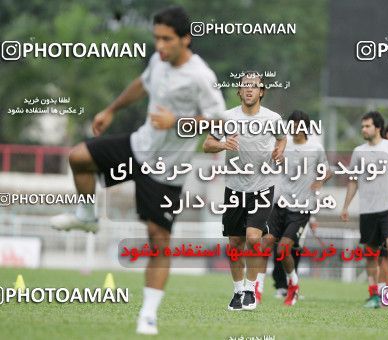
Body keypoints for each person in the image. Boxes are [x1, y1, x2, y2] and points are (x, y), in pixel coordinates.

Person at [50, 6, 225, 335]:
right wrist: (111, 109)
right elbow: (142, 84)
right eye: (156, 38)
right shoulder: (158, 61)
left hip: (167, 169)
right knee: (79, 157)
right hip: (138, 147)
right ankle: (87, 216)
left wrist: (178, 122)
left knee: (158, 241)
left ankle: (148, 314)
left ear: (185, 39)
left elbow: (219, 122)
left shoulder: (201, 76)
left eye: (167, 39)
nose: (160, 45)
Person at [203, 71, 286, 311]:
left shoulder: (272, 118)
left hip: (263, 186)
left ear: (261, 91)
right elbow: (207, 144)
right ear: (239, 91)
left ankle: (251, 290)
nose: (249, 89)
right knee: (236, 243)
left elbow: (281, 139)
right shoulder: (226, 117)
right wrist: (222, 144)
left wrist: (279, 150)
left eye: (254, 86)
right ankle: (237, 292)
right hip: (234, 188)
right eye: (244, 86)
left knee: (253, 239)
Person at [259, 110, 332, 306]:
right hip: (279, 204)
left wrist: (319, 181)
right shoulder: (284, 145)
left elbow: (327, 171)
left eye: (299, 125)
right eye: (291, 125)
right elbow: (270, 165)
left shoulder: (315, 148)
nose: (294, 129)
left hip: (301, 208)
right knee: (265, 244)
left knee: (284, 249)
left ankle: (293, 287)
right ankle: (255, 289)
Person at [341, 111, 388, 308]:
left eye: (367, 126)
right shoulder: (358, 151)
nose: (364, 129)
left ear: (378, 128)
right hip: (367, 210)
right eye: (362, 126)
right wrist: (346, 206)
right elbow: (353, 181)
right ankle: (374, 295)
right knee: (371, 253)